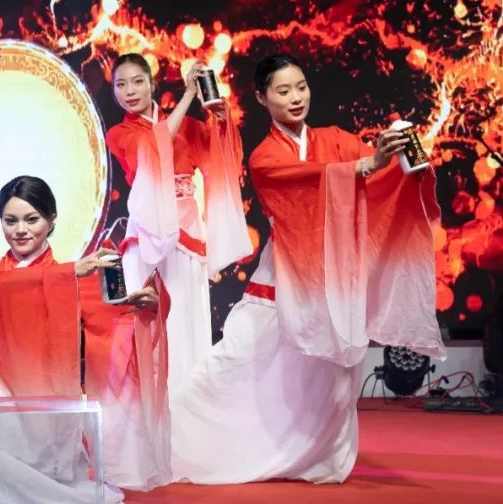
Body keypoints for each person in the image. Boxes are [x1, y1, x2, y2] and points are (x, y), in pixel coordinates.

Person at [170, 52, 446, 484]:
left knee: (329, 377)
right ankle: (181, 440)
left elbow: (376, 174)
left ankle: (313, 455)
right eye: (283, 91)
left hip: (335, 275)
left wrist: (399, 157)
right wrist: (367, 165)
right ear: (262, 98)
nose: (296, 97)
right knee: (237, 356)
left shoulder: (335, 139)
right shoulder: (265, 157)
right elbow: (320, 179)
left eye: (301, 87)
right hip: (285, 275)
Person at [0, 175, 169, 502]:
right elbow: (7, 286)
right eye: (10, 221)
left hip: (49, 404)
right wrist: (68, 273)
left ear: (51, 220)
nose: (20, 230)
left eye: (32, 219)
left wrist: (149, 308)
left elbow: (113, 327)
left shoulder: (77, 278)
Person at [105, 54, 252, 407]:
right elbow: (152, 147)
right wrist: (187, 96)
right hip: (148, 233)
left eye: (137, 81)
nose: (130, 91)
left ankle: (188, 405)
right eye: (121, 85)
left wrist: (219, 119)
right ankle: (147, 406)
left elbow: (220, 155)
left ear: (151, 82)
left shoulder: (185, 124)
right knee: (149, 319)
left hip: (187, 230)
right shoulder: (120, 133)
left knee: (187, 317)